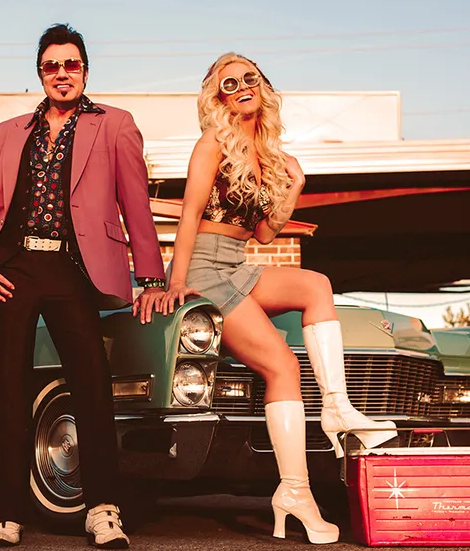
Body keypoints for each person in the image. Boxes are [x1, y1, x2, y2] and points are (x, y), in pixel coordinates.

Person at [159, 53, 397, 544]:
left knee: (317, 285)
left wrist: (295, 185)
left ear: (262, 88)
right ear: (218, 96)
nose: (242, 85)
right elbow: (188, 216)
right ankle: (295, 493)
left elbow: (266, 234)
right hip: (204, 265)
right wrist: (175, 281)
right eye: (230, 82)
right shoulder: (212, 143)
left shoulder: (266, 154)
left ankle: (337, 407)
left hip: (239, 261)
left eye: (250, 77)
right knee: (283, 367)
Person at [0, 23, 166, 548]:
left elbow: (135, 205)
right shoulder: (8, 132)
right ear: (40, 74)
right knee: (6, 391)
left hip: (76, 269)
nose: (62, 73)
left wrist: (151, 277)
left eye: (71, 64)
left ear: (86, 70)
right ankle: (5, 514)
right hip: (12, 269)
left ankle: (102, 509)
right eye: (52, 65)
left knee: (92, 385)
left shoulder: (115, 125)